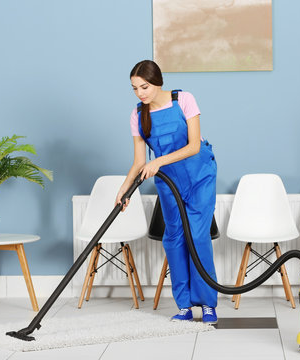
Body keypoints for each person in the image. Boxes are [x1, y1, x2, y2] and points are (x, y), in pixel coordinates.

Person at [116, 60, 218, 324]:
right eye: (135, 88)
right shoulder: (138, 115)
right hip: (168, 183)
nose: (140, 93)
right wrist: (124, 189)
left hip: (199, 177)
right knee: (173, 239)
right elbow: (140, 162)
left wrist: (158, 161)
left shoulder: (183, 100)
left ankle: (207, 304)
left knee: (197, 237)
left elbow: (194, 146)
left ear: (157, 81)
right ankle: (183, 305)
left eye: (144, 86)